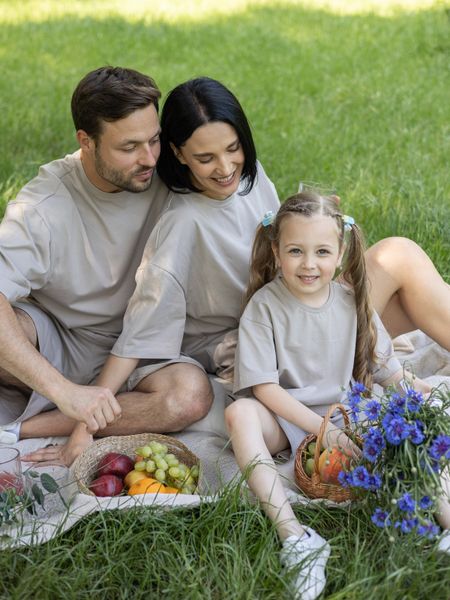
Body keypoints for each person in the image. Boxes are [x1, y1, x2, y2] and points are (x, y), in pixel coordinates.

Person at [22, 72, 450, 467]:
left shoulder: (250, 176)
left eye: (233, 149)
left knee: (398, 254)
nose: (225, 168)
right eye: (205, 157)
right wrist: (84, 425)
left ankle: (412, 378)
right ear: (179, 154)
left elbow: (285, 247)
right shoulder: (182, 223)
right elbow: (139, 331)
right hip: (266, 340)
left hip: (301, 305)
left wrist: (318, 234)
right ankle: (26, 426)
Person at [226, 192, 446, 599]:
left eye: (322, 251)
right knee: (240, 413)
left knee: (408, 435)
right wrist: (323, 433)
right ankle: (296, 537)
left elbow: (387, 370)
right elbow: (265, 389)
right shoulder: (264, 307)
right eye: (295, 250)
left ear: (341, 251)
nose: (309, 264)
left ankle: (445, 521)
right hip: (287, 417)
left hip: (347, 412)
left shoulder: (353, 301)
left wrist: (413, 392)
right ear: (276, 250)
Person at [0, 67, 213, 455]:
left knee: (190, 397)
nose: (149, 158)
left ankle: (28, 427)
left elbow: (236, 179)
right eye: (129, 147)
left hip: (145, 343)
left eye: (154, 140)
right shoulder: (44, 205)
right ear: (86, 141)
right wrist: (63, 389)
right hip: (62, 339)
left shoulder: (168, 170)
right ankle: (65, 400)